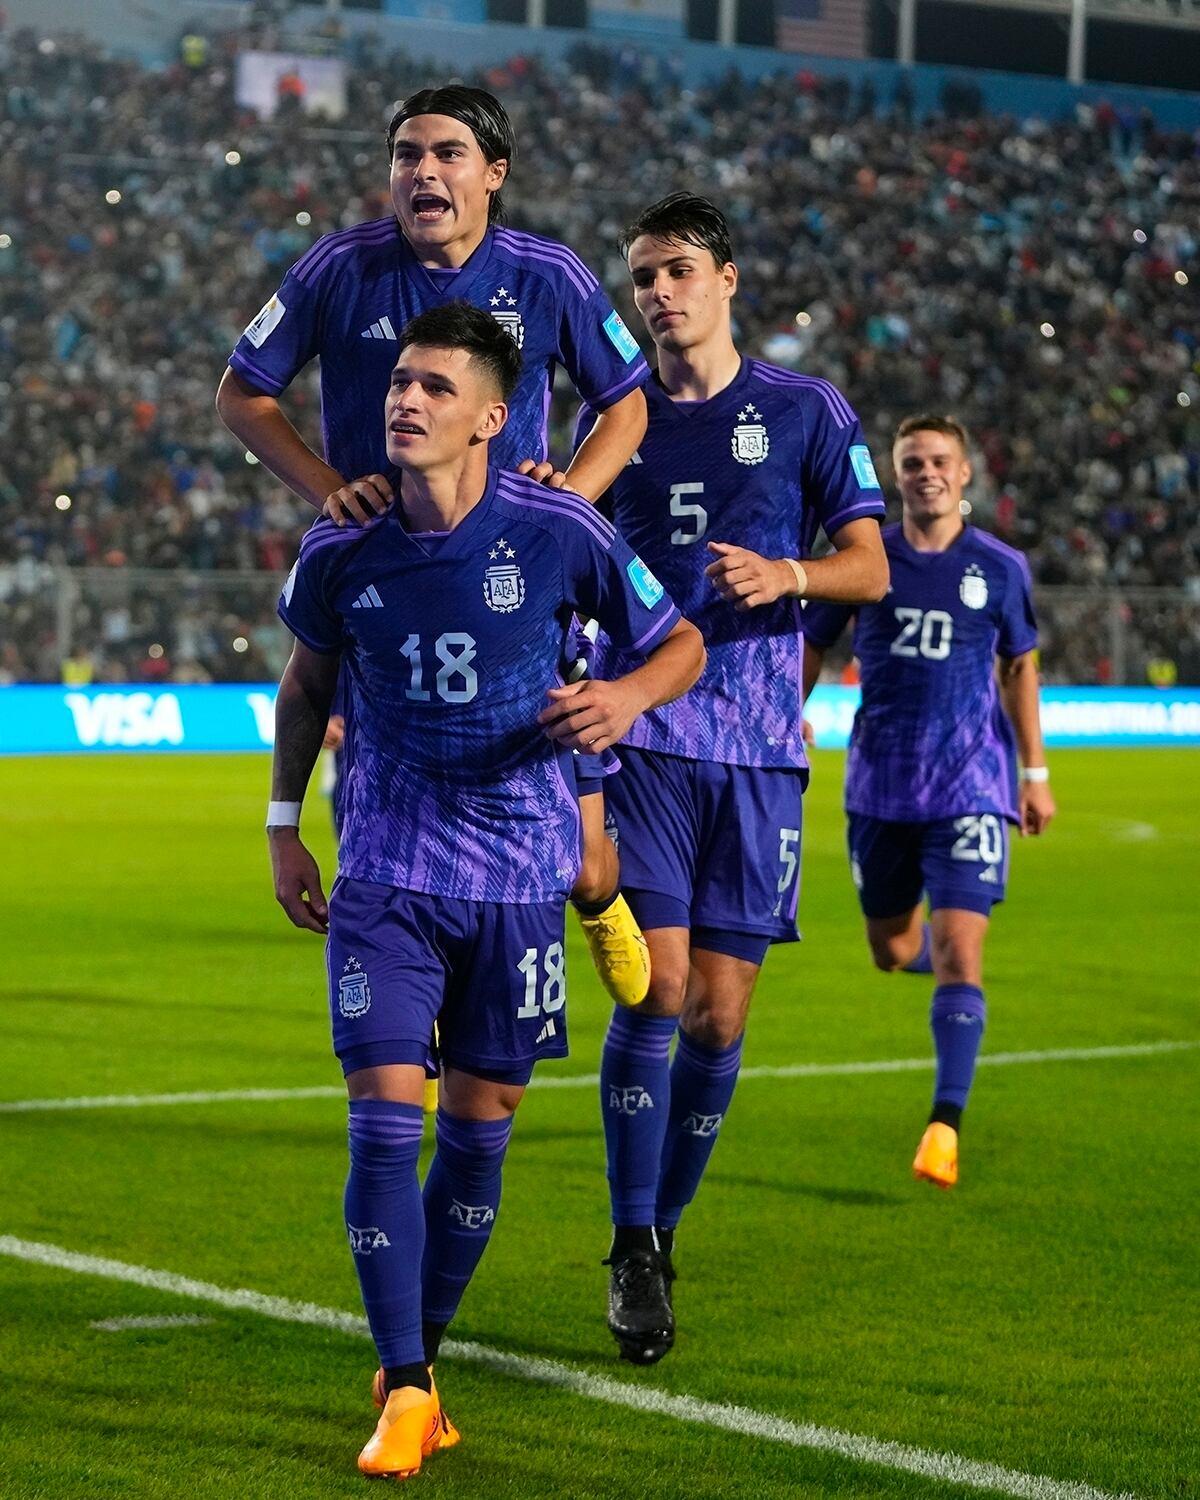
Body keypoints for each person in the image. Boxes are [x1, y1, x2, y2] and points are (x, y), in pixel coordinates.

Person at [267, 303, 703, 1477]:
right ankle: (408, 1385)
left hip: (517, 879)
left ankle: (420, 1357)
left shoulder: (557, 529)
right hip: (387, 872)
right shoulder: (341, 543)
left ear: (492, 418)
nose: (405, 400)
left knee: (479, 1131)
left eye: (434, 388)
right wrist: (282, 825)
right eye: (398, 382)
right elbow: (306, 687)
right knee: (382, 1119)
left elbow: (681, 645)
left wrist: (626, 699)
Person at [218, 83, 652, 1007]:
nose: (423, 171)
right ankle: (399, 1008)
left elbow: (627, 404)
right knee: (388, 804)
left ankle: (596, 899)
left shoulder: (549, 275)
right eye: (407, 154)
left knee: (583, 862)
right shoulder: (340, 267)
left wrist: (569, 500)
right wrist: (331, 491)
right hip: (389, 571)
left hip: (516, 585)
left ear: (494, 174)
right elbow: (242, 393)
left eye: (448, 153)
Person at [577, 194, 889, 1365]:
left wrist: (787, 573)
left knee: (720, 1012)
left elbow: (869, 566)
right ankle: (629, 1244)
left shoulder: (807, 410)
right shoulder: (617, 416)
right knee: (655, 989)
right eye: (643, 275)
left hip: (759, 751)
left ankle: (662, 1230)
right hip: (649, 736)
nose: (658, 292)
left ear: (727, 279)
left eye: (677, 271)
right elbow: (568, 550)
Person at [803, 415, 1055, 1190]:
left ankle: (944, 1126)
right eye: (913, 463)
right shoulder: (868, 559)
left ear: (965, 471)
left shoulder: (1001, 568)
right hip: (880, 788)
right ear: (897, 475)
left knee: (959, 951)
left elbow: (1020, 666)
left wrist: (1034, 772)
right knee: (891, 950)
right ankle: (950, 975)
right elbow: (812, 642)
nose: (927, 473)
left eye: (940, 460)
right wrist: (785, 713)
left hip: (970, 787)